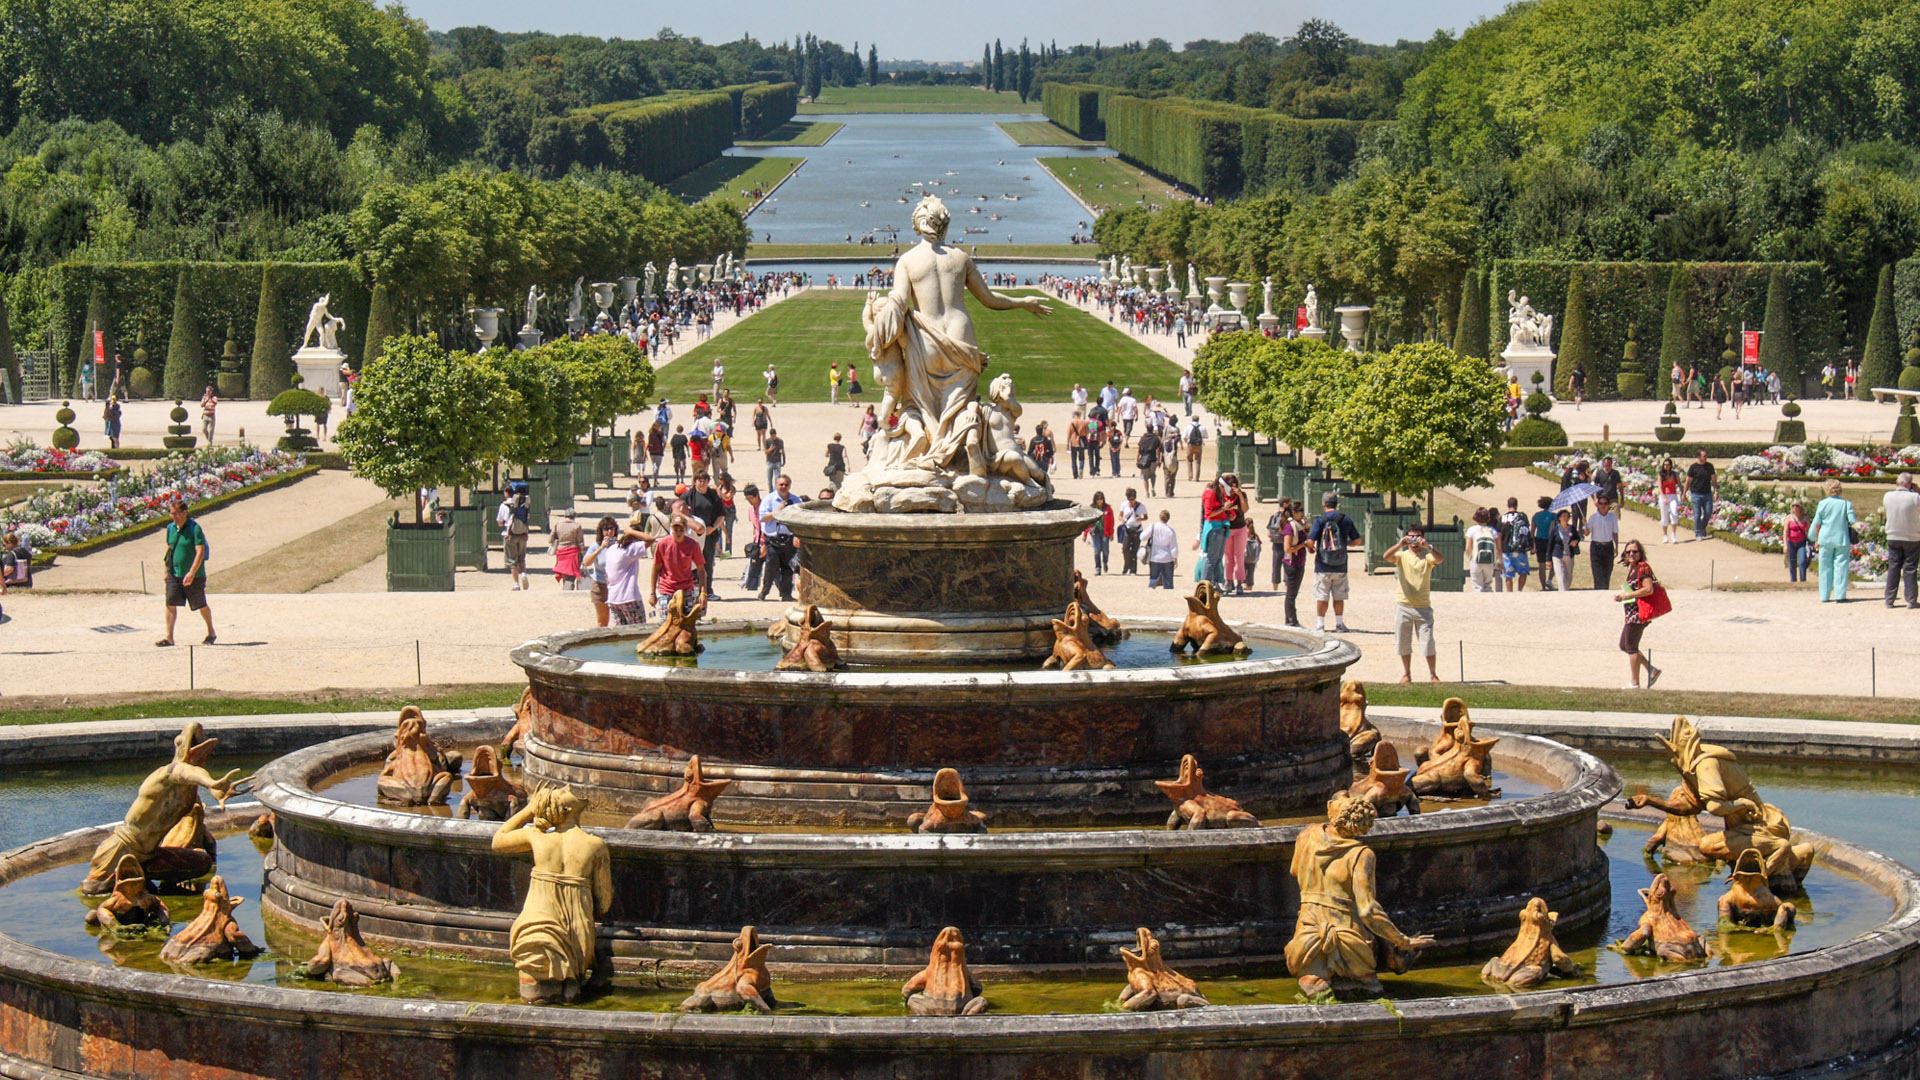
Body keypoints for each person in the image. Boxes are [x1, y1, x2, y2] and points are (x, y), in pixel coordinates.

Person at [1384, 525, 1442, 683]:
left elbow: (1439, 559)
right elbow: (1386, 556)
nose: (1414, 540)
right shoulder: (1402, 555)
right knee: (1403, 642)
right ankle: (1407, 673)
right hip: (1403, 605)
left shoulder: (1427, 557)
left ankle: (1433, 674)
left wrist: (1428, 547)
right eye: (1411, 537)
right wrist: (1399, 544)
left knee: (1428, 642)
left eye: (1417, 537)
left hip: (1423, 607)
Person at [157, 500, 214, 647]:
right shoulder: (170, 528)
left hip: (194, 575)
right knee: (170, 603)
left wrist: (192, 572)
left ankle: (211, 631)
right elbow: (170, 550)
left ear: (184, 513)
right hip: (174, 573)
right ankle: (169, 637)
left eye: (176, 513)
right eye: (172, 513)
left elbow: (200, 552)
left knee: (200, 605)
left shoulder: (195, 529)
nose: (173, 516)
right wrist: (166, 570)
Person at [1308, 491, 1361, 632]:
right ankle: (1339, 623)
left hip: (1322, 565)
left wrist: (1311, 549)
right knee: (1339, 596)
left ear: (1323, 504)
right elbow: (1357, 540)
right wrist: (1345, 544)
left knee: (1322, 596)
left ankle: (1320, 624)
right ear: (1337, 503)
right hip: (1341, 564)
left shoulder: (1320, 520)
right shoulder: (1345, 519)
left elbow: (1310, 541)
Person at [1614, 540, 1664, 689]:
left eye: (1634, 551)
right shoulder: (1633, 568)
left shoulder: (1643, 568)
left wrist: (1626, 596)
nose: (1631, 554)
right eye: (1628, 552)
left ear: (1640, 553)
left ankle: (1635, 683)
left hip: (1639, 614)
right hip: (1632, 613)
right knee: (1624, 645)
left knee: (1631, 647)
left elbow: (1648, 590)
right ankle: (1651, 670)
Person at [1809, 478, 1857, 603]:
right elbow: (1852, 520)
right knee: (1841, 566)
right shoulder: (1846, 504)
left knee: (1824, 567)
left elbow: (1817, 523)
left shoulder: (1822, 503)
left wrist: (1816, 538)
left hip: (1825, 538)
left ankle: (1824, 596)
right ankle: (1840, 595)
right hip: (1841, 539)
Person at [757, 476, 804, 602]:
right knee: (771, 567)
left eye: (786, 484)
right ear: (776, 485)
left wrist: (798, 535)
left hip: (789, 538)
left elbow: (801, 519)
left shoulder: (796, 500)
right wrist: (778, 511)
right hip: (773, 539)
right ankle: (764, 592)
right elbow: (762, 517)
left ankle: (786, 594)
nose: (783, 487)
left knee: (788, 568)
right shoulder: (769, 499)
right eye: (781, 484)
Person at [648, 515, 706, 613]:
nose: (678, 532)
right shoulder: (663, 544)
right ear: (672, 529)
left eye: (681, 529)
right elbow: (655, 568)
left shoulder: (693, 545)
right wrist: (652, 593)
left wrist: (703, 592)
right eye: (676, 529)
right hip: (666, 589)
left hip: (686, 588)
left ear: (686, 529)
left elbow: (701, 570)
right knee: (666, 622)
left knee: (687, 622)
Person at [684, 472, 725, 598]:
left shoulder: (713, 496)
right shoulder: (688, 496)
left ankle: (707, 591)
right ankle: (691, 590)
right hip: (692, 535)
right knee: (690, 563)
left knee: (707, 563)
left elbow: (721, 515)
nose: (702, 483)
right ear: (695, 481)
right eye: (699, 480)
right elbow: (679, 512)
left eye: (704, 481)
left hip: (709, 535)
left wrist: (712, 528)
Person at [600, 516, 647, 626]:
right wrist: (632, 531)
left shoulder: (611, 549)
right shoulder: (630, 549)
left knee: (621, 636)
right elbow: (650, 539)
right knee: (639, 633)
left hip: (613, 598)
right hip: (629, 597)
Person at [1884, 473, 1919, 608]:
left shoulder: (1888, 496)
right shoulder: (1915, 497)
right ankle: (1910, 600)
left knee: (1894, 567)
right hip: (1912, 536)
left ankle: (1889, 599)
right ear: (1910, 484)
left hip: (1893, 535)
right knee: (1910, 568)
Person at [1197, 475, 1235, 588]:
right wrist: (1224, 509)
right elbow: (1209, 514)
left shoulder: (1219, 493)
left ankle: (1214, 584)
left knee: (1218, 559)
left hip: (1221, 527)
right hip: (1213, 529)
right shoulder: (1210, 493)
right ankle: (1204, 586)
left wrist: (1227, 515)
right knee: (1211, 559)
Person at [580, 516, 618, 626]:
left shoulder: (619, 545)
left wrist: (618, 544)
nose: (609, 532)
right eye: (606, 529)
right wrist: (600, 549)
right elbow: (586, 563)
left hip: (617, 586)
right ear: (601, 531)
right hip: (600, 586)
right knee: (603, 620)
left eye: (612, 528)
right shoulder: (595, 546)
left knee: (620, 620)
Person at [1276, 500, 1309, 625]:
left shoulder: (1299, 525)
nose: (1302, 513)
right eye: (1300, 511)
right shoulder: (1290, 527)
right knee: (1291, 594)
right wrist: (1302, 545)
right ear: (1293, 512)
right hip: (1292, 563)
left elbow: (1307, 537)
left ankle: (1291, 619)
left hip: (1300, 562)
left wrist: (1306, 528)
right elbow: (1287, 548)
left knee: (1293, 593)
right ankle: (1291, 620)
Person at [1222, 474, 1251, 595]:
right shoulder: (1222, 496)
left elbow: (1245, 509)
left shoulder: (1241, 495)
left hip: (1239, 527)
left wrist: (1239, 495)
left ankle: (1239, 582)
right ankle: (1228, 581)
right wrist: (1226, 513)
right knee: (1228, 557)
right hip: (1227, 527)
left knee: (1239, 556)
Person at [1585, 496, 1620, 590]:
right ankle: (1598, 591)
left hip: (1608, 546)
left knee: (1607, 573)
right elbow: (1587, 533)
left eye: (1605, 504)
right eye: (1601, 503)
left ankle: (1605, 591)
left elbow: (1615, 533)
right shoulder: (1593, 518)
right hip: (1596, 547)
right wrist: (1585, 525)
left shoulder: (1612, 517)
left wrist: (1616, 546)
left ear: (1608, 505)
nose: (1603, 506)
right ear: (1598, 505)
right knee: (1597, 573)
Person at [1498, 497, 1532, 592]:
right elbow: (1527, 531)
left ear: (1507, 505)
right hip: (1519, 549)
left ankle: (1510, 592)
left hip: (1506, 550)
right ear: (1516, 505)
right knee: (1523, 571)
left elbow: (1499, 535)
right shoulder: (1522, 516)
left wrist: (1499, 550)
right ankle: (1519, 590)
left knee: (1508, 574)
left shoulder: (1502, 518)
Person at [502, 488, 532, 590]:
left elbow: (501, 522)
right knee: (521, 558)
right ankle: (523, 574)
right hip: (523, 534)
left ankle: (516, 584)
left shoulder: (505, 506)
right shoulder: (525, 506)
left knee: (512, 560)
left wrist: (507, 531)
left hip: (511, 535)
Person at [1464, 507, 1500, 593]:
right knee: (1487, 585)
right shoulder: (1492, 531)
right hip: (1489, 561)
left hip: (1476, 560)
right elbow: (1498, 547)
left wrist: (1469, 557)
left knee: (1477, 586)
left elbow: (1468, 548)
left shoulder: (1471, 530)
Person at [551, 508, 585, 591]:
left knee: (565, 573)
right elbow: (580, 541)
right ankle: (567, 591)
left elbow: (550, 539)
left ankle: (565, 588)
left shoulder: (558, 525)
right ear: (574, 516)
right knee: (570, 576)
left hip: (561, 552)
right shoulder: (577, 526)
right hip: (573, 553)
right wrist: (584, 553)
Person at [1686, 450, 1716, 540]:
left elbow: (1714, 480)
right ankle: (1698, 533)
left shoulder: (1710, 466)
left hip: (1707, 494)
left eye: (1706, 456)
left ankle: (1702, 527)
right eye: (1704, 456)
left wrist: (1716, 491)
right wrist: (1684, 493)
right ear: (1699, 457)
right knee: (1697, 515)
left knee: (1708, 512)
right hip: (1696, 494)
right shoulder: (1693, 467)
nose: (1706, 457)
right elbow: (1688, 481)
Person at [1145, 509, 1179, 589]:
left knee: (1153, 579)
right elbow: (1174, 547)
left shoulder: (1153, 527)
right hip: (1167, 558)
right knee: (1168, 582)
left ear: (1159, 517)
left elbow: (1142, 537)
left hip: (1154, 557)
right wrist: (1175, 559)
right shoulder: (1170, 531)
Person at [1548, 509, 1579, 592]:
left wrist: (1575, 541)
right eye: (1563, 516)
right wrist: (1548, 559)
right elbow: (1550, 544)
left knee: (1569, 577)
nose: (1565, 518)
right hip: (1558, 556)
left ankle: (1565, 590)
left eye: (1567, 516)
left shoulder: (1572, 528)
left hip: (1569, 555)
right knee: (1560, 577)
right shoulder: (1555, 529)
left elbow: (1577, 538)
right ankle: (1563, 594)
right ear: (1559, 518)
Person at [1530, 496, 1557, 590]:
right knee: (1553, 562)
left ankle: (1543, 587)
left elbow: (1532, 531)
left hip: (1539, 540)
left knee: (1541, 565)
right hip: (1550, 541)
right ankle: (1549, 580)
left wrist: (1532, 544)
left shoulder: (1536, 515)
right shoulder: (1554, 516)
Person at [1118, 489, 1148, 575]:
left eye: (1133, 499)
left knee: (1134, 550)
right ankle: (1126, 567)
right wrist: (1122, 519)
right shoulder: (1124, 504)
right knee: (1125, 549)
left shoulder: (1141, 506)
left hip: (1137, 530)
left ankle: (1133, 570)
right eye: (1130, 499)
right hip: (1127, 529)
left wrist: (1141, 518)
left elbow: (1146, 517)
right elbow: (1120, 515)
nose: (1132, 501)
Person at [1085, 491, 1114, 574]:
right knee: (1097, 549)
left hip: (1106, 532)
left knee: (1105, 549)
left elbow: (1111, 521)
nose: (1099, 501)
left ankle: (1105, 562)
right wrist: (1085, 533)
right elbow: (1087, 521)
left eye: (1101, 499)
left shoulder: (1107, 508)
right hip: (1095, 532)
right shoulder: (1091, 508)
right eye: (1098, 499)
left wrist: (1111, 533)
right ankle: (1098, 568)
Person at [1784, 501, 1811, 583]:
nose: (1795, 507)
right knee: (1792, 562)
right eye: (1793, 506)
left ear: (1801, 507)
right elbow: (1785, 532)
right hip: (1791, 542)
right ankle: (1793, 580)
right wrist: (1785, 545)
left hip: (1801, 542)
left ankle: (1803, 580)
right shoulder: (1789, 518)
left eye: (1797, 506)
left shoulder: (1805, 518)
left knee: (1802, 561)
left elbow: (1809, 531)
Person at [1656, 457, 1681, 543]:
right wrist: (1663, 498)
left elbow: (1680, 485)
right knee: (1664, 517)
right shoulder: (1661, 474)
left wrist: (1683, 493)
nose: (1666, 466)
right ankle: (1665, 535)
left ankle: (1673, 534)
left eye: (1668, 465)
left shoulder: (1675, 474)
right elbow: (1660, 487)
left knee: (1674, 513)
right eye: (1665, 465)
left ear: (1670, 466)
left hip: (1673, 495)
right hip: (1664, 496)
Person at [1136, 424, 1161, 496]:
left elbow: (1139, 450)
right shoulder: (1156, 438)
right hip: (1153, 458)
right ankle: (1153, 487)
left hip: (1144, 458)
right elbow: (1158, 450)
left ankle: (1147, 492)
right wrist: (1159, 460)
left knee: (1145, 477)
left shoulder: (1143, 438)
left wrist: (1137, 459)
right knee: (1153, 474)